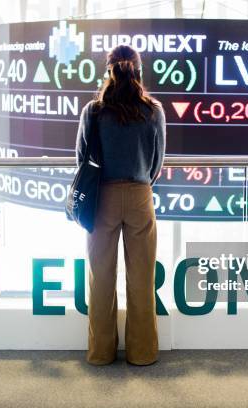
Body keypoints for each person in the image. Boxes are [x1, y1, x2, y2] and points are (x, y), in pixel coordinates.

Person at [75, 45, 166, 366]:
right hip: (141, 196)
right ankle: (142, 353)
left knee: (101, 277)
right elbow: (157, 162)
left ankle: (100, 353)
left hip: (102, 199)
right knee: (141, 278)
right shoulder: (153, 110)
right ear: (138, 71)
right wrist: (140, 180)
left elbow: (82, 158)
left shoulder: (94, 111)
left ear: (109, 71)